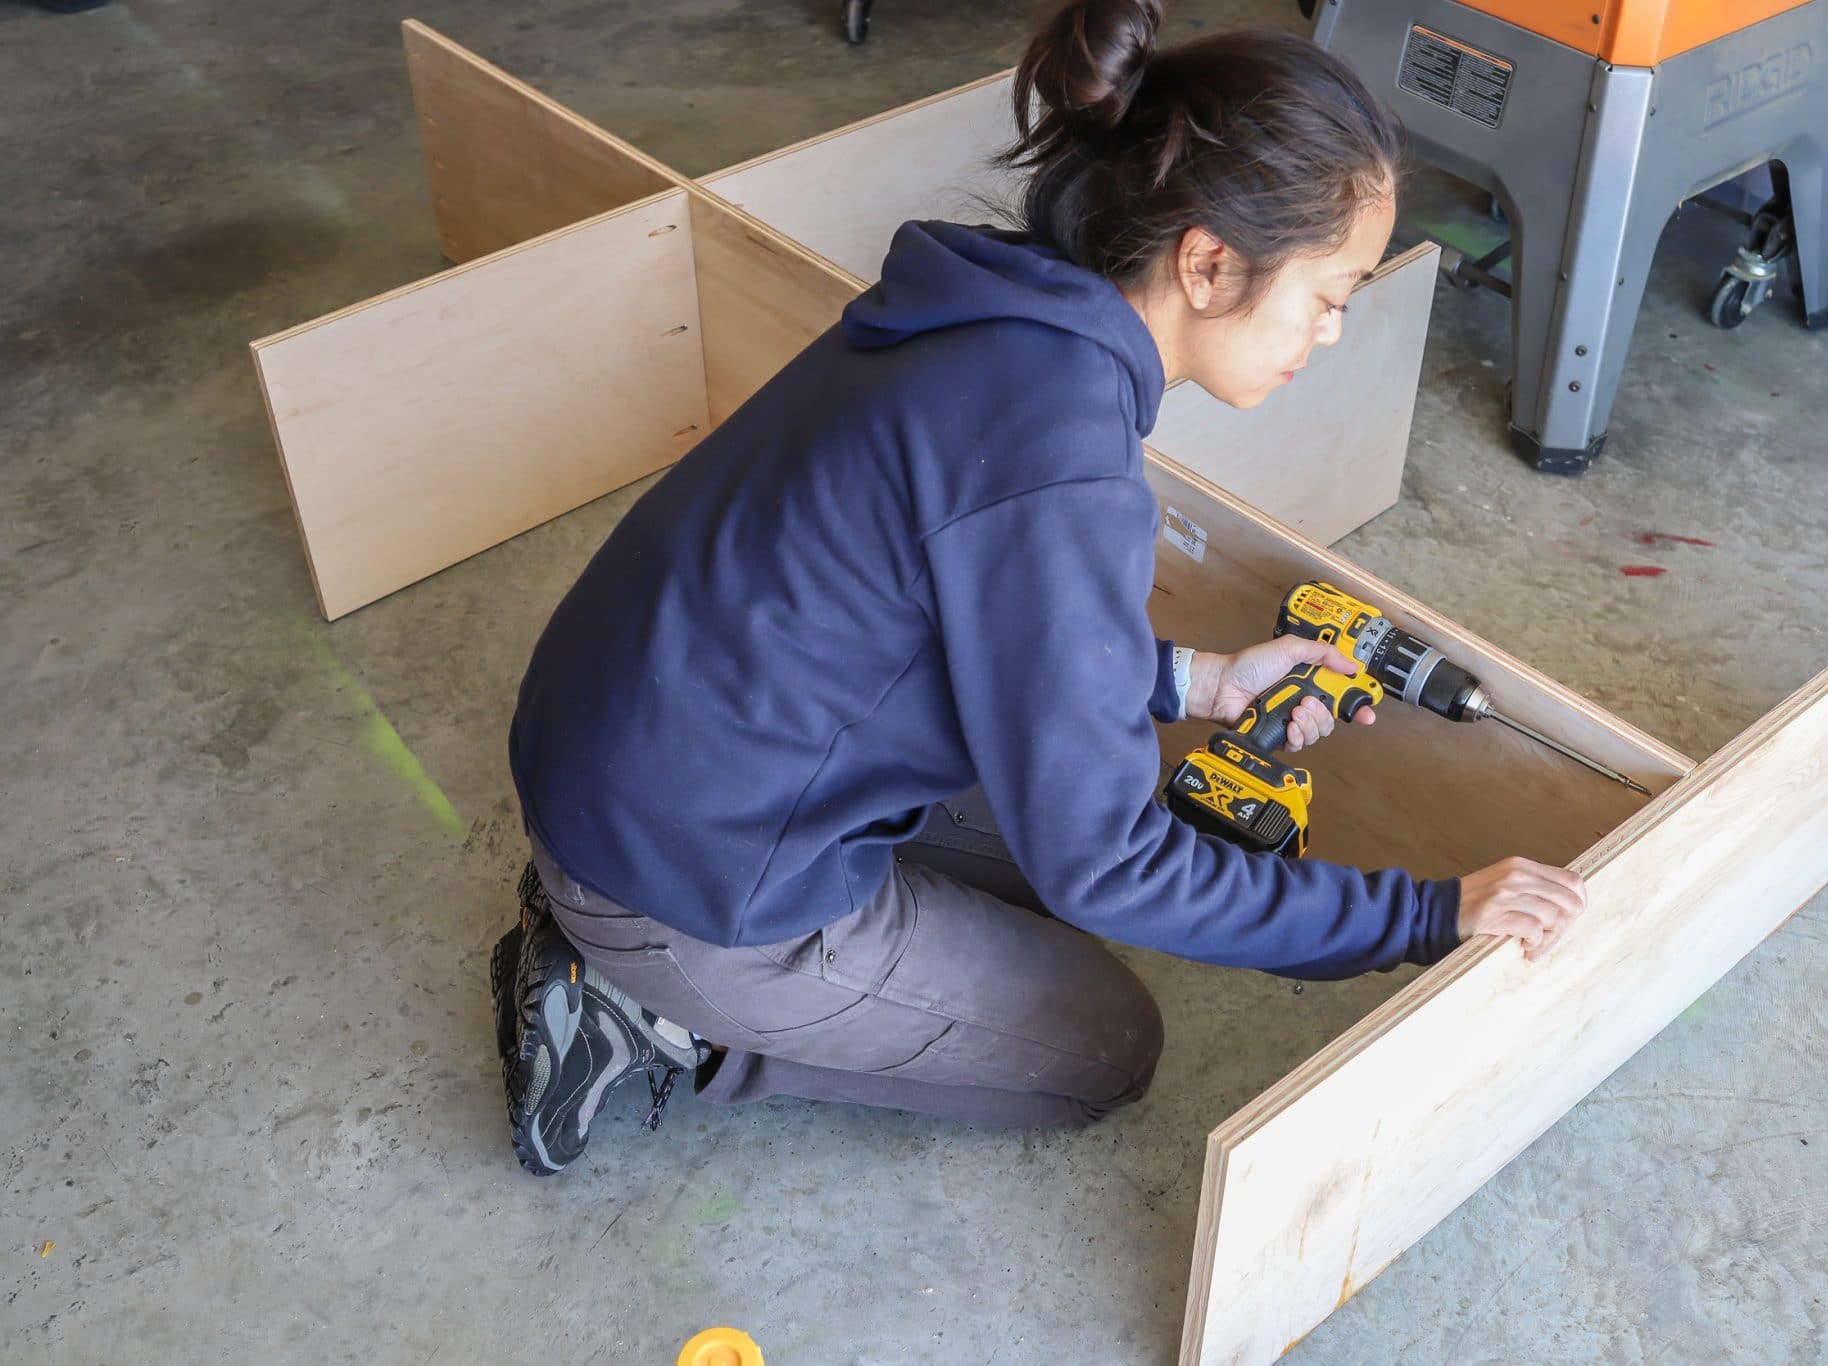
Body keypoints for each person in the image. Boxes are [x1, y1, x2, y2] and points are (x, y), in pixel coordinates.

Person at [489, 0, 1587, 1177]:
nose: (1327, 334)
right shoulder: (1058, 456)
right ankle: (650, 1022)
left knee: (1103, 839)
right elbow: (1105, 863)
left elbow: (965, 611)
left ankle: (651, 945)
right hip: (688, 879)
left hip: (637, 762)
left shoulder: (1000, 311)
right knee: (1103, 1046)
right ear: (1209, 262)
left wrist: (1194, 679)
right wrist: (1421, 916)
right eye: (1329, 296)